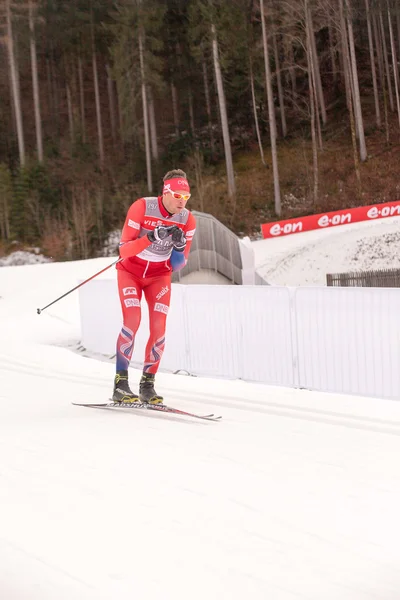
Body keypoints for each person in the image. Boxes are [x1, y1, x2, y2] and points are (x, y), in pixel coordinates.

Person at [112, 169, 196, 404]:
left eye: (186, 197)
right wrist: (151, 237)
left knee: (159, 327)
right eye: (178, 195)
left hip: (159, 276)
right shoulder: (142, 207)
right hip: (130, 272)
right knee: (132, 320)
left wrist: (179, 247)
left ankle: (147, 385)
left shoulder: (188, 219)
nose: (182, 201)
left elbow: (177, 265)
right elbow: (124, 250)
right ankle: (120, 384)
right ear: (166, 192)